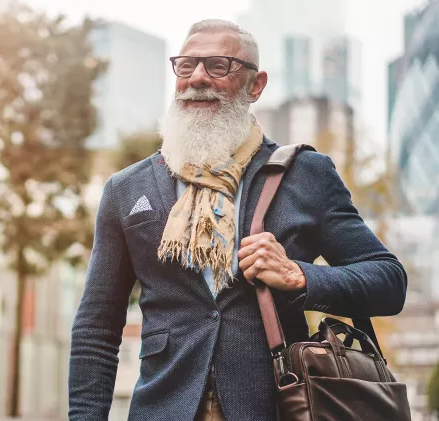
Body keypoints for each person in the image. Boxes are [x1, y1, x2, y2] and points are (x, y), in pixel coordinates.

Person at [67, 18, 407, 421]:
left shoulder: (305, 174)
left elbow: (389, 281)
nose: (197, 78)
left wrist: (300, 277)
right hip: (162, 409)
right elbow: (97, 329)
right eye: (186, 65)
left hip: (275, 407)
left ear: (256, 85)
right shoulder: (126, 189)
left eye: (218, 66)